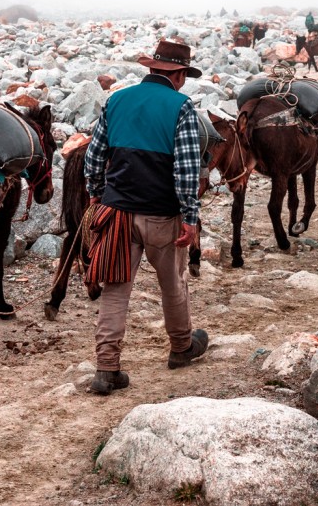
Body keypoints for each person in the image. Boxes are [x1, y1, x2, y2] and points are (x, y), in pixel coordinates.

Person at [82, 39, 209, 395]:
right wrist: (190, 216)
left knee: (116, 289)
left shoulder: (116, 99)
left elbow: (94, 157)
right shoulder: (182, 107)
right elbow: (185, 170)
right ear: (179, 75)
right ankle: (181, 347)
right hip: (161, 215)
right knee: (173, 282)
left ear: (152, 68)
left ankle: (106, 369)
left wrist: (95, 191)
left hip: (117, 212)